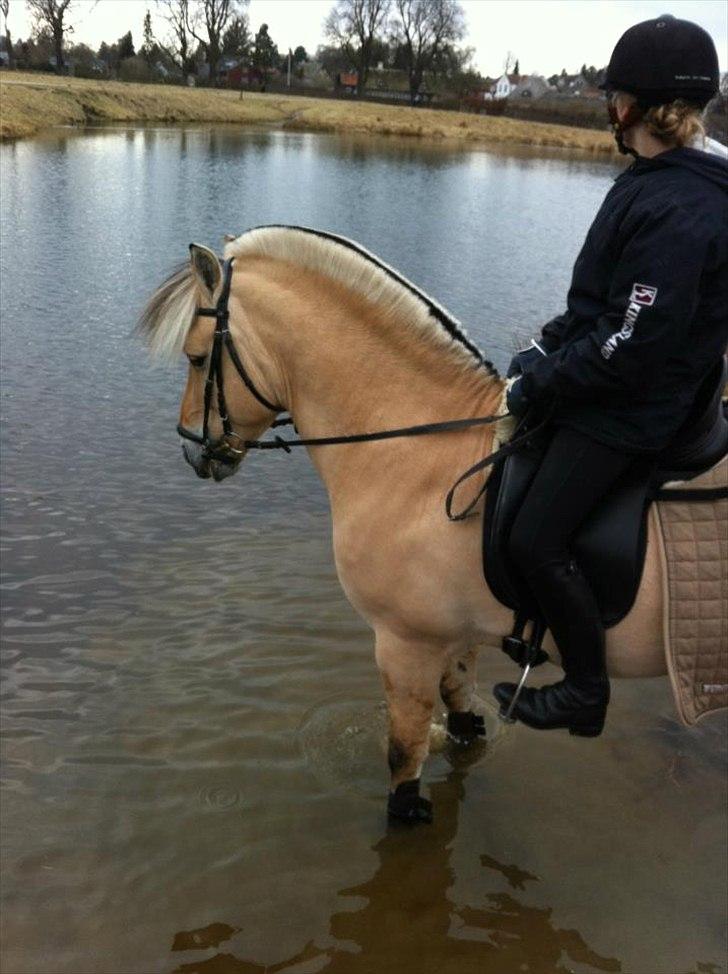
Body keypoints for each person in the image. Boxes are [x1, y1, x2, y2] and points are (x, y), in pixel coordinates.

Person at [493, 15, 728, 737]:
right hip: (629, 378)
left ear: (633, 107)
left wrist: (545, 382)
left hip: (637, 407)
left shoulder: (683, 206)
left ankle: (586, 689)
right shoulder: (658, 178)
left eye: (614, 96)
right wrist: (541, 350)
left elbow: (629, 345)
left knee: (536, 538)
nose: (608, 108)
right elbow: (600, 306)